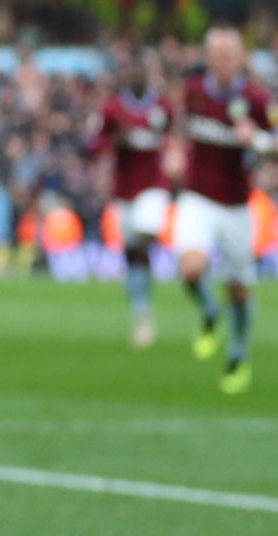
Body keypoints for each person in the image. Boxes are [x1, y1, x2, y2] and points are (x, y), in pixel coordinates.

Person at [174, 26, 278, 395]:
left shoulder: (255, 99)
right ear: (207, 58)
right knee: (191, 268)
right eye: (215, 54)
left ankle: (237, 353)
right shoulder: (193, 92)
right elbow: (179, 125)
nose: (221, 60)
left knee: (238, 289)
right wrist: (174, 152)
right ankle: (208, 311)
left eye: (227, 54)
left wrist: (259, 140)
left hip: (236, 204)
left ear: (239, 58)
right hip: (197, 198)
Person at [87, 49, 173, 349]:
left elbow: (178, 134)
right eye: (132, 74)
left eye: (141, 74)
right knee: (133, 253)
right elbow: (94, 143)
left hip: (154, 185)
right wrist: (114, 141)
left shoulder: (162, 106)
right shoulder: (112, 109)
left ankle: (143, 310)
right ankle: (142, 314)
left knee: (144, 239)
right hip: (124, 189)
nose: (137, 79)